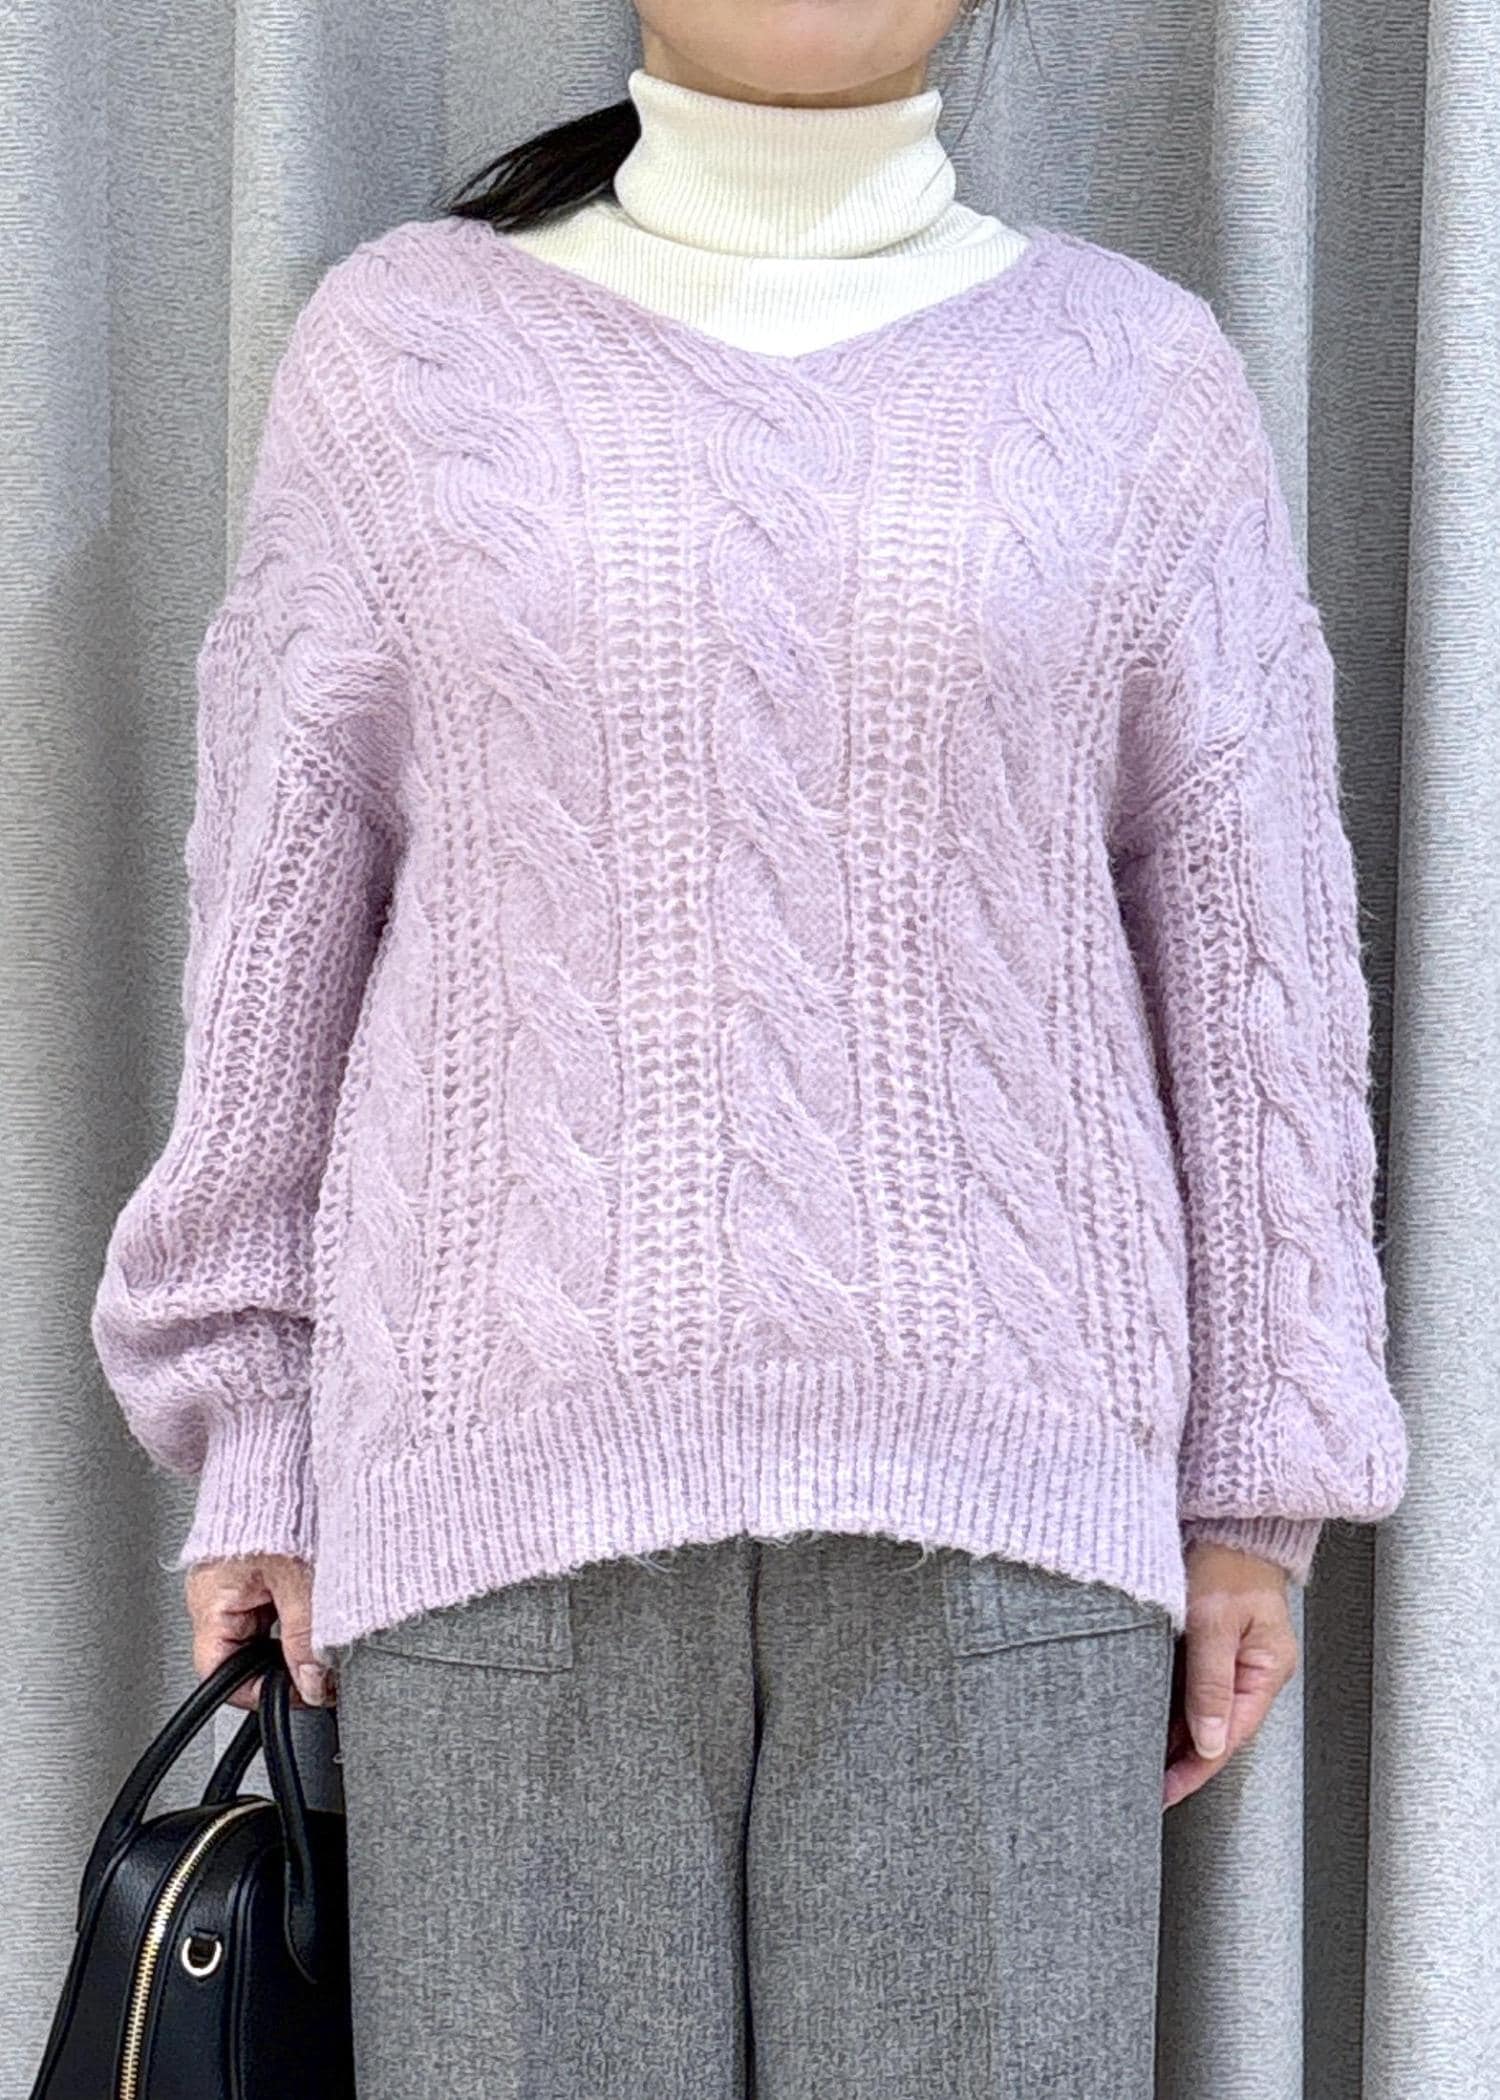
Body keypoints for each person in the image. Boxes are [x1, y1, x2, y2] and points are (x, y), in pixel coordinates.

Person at [88, 1, 1411, 2092]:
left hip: (1009, 1519)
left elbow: (1258, 960)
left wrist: (1260, 1478)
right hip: (494, 1521)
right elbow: (274, 915)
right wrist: (252, 1416)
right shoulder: (403, 361)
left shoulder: (1140, 382)